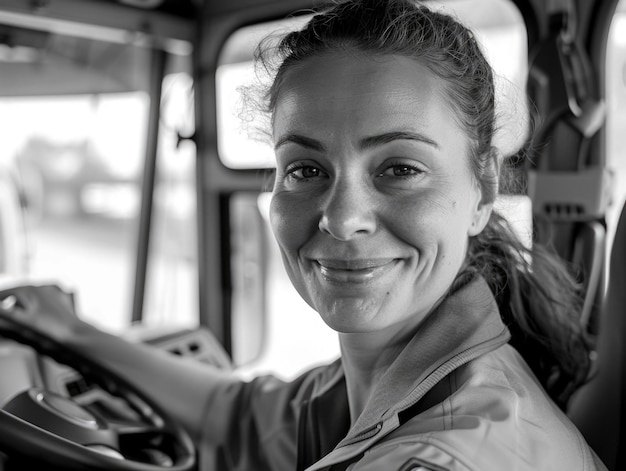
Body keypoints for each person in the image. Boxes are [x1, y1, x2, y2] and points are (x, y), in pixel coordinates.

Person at [0, 0, 608, 469]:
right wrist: (71, 330)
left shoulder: (438, 456)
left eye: (399, 169)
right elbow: (237, 415)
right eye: (306, 170)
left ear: (482, 189)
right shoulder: (389, 375)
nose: (342, 219)